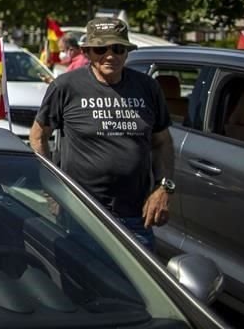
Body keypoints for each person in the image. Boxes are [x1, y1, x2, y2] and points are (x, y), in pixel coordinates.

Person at [29, 18, 175, 251]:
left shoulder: (147, 87)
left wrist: (163, 188)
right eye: (101, 49)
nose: (110, 55)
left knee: (137, 287)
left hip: (135, 216)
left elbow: (163, 142)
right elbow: (38, 136)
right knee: (82, 283)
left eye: (118, 49)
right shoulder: (66, 87)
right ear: (87, 52)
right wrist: (52, 190)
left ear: (126, 52)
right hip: (81, 213)